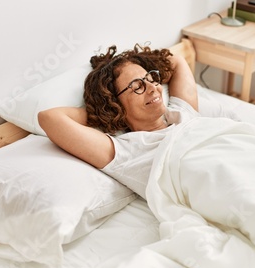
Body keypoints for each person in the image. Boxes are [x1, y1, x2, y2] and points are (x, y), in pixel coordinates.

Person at [38, 43, 200, 197]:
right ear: (116, 105)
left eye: (150, 78)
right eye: (137, 87)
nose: (153, 88)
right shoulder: (129, 153)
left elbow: (177, 61)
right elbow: (49, 118)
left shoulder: (182, 113)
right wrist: (104, 111)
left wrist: (131, 60)